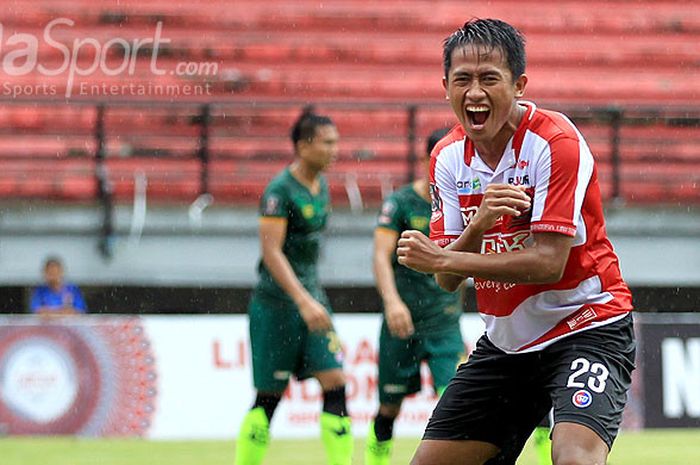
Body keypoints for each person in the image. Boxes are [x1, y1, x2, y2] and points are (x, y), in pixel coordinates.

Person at [396, 19, 635, 465]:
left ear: (519, 85)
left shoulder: (555, 142)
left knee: (574, 460)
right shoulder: (446, 157)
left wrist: (443, 257)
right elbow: (449, 280)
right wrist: (479, 225)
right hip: (507, 343)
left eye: (490, 79)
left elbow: (548, 263)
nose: (474, 93)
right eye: (462, 80)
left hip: (586, 325)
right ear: (445, 86)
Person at [235, 107, 352, 465]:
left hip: (312, 300)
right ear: (303, 146)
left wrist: (310, 296)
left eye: (336, 142)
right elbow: (271, 252)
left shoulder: (322, 186)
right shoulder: (279, 191)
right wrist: (302, 300)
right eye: (327, 143)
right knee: (269, 397)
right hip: (277, 306)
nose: (335, 150)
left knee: (336, 381)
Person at [365, 128, 464, 465]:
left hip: (443, 322)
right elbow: (381, 256)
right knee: (388, 408)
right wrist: (392, 302)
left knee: (455, 403)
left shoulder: (461, 200)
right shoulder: (400, 203)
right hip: (402, 320)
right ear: (426, 160)